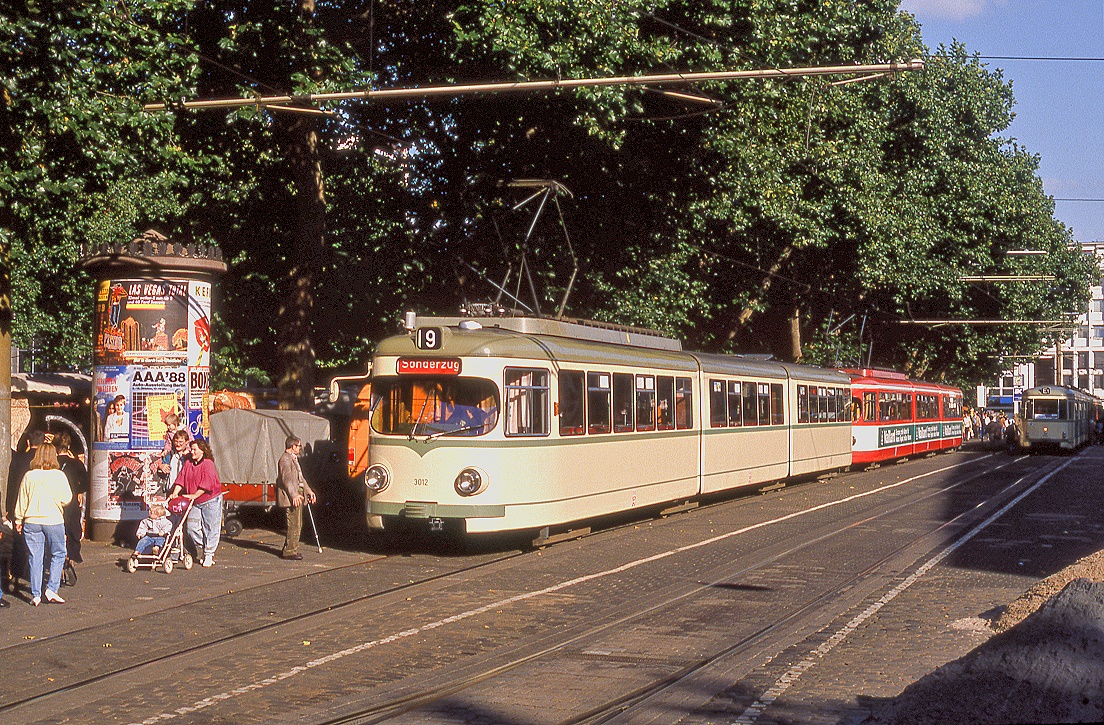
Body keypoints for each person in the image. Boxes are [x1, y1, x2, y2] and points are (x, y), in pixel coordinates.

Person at [14, 441, 72, 606]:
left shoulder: (29, 475)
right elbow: (67, 499)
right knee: (58, 553)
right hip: (53, 520)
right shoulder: (59, 475)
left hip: (31, 521)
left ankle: (36, 594)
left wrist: (19, 519)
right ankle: (51, 589)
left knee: (35, 557)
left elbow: (21, 500)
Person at [169, 439, 222, 568]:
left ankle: (209, 553)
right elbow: (181, 478)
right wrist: (175, 493)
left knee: (211, 527)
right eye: (191, 449)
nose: (192, 452)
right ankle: (205, 546)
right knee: (192, 528)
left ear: (202, 451)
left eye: (195, 450)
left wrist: (194, 495)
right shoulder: (188, 463)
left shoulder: (208, 464)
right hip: (194, 502)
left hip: (210, 500)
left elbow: (207, 483)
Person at [54, 431, 88, 582]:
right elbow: (85, 483)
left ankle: (58, 563)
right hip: (72, 500)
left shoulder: (51, 464)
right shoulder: (76, 464)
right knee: (73, 530)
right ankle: (71, 558)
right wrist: (78, 491)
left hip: (54, 502)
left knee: (57, 531)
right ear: (68, 446)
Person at [276, 435, 316, 561]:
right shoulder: (285, 459)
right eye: (299, 446)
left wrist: (309, 491)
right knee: (294, 523)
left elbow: (301, 479)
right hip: (292, 495)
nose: (300, 448)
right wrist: (294, 494)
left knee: (298, 523)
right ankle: (289, 551)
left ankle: (291, 547)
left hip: (299, 493)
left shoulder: (294, 459)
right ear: (292, 446)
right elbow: (287, 479)